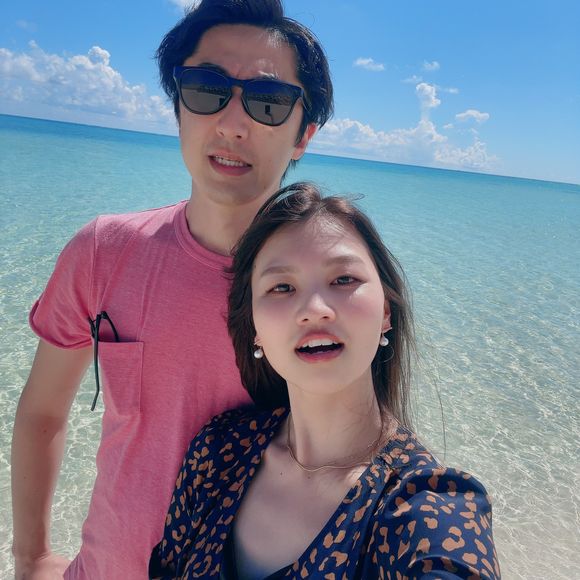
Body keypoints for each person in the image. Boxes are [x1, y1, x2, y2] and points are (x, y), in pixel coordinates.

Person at [10, 1, 333, 578]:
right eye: (207, 89)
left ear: (302, 135)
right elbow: (42, 411)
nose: (232, 124)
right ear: (178, 107)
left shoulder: (323, 293)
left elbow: (369, 454)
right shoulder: (103, 251)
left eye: (267, 102)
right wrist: (31, 557)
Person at [149, 182, 501, 579]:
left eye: (344, 280)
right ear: (255, 330)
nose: (315, 309)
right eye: (282, 287)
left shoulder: (424, 505)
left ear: (386, 312)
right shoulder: (218, 451)